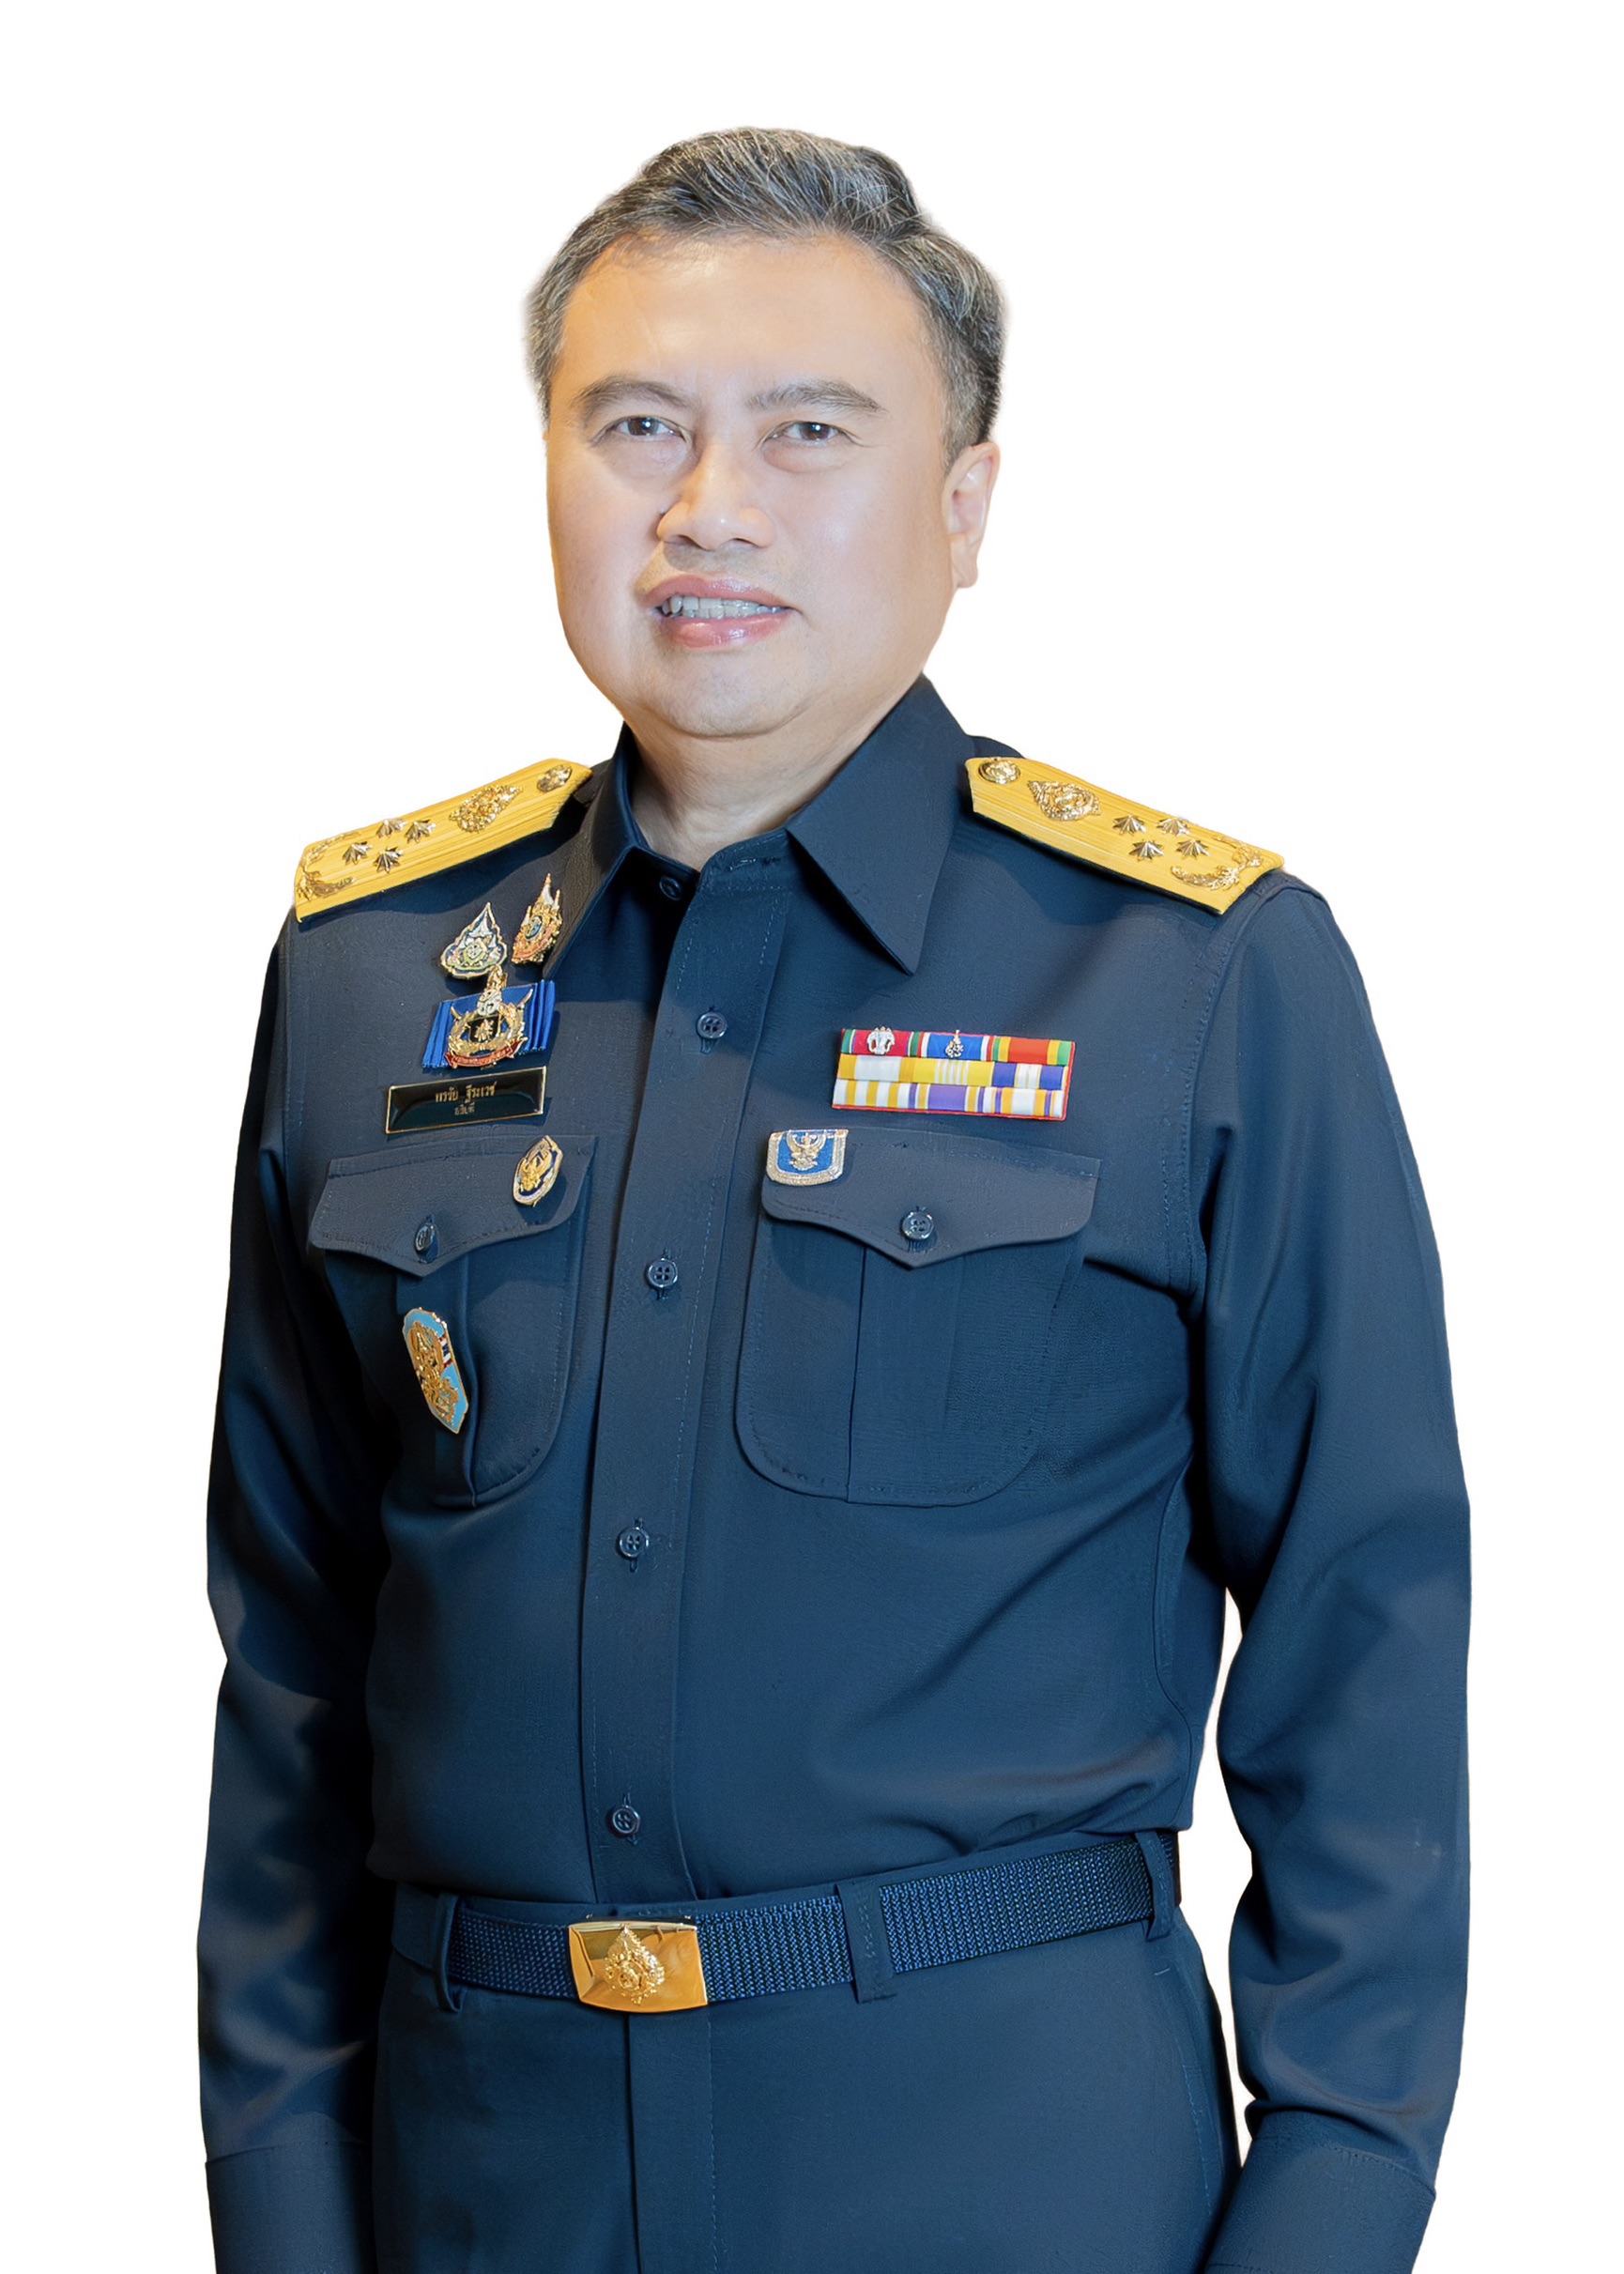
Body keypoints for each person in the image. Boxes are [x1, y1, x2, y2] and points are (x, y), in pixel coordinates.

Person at [199, 129, 1469, 2274]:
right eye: (636, 426)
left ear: (964, 504)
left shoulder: (1192, 979)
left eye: (808, 430)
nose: (708, 506)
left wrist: (1332, 2204)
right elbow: (292, 1673)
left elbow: (1369, 1639)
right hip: (484, 2182)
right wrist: (282, 2204)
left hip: (1004, 2178)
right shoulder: (368, 975)